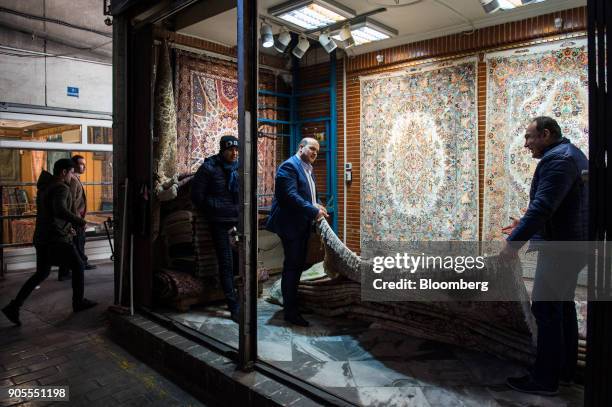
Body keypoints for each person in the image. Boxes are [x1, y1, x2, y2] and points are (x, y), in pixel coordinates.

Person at [501, 116, 588, 396]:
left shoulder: (558, 160)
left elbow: (543, 208)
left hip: (561, 249)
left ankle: (544, 380)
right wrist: (522, 221)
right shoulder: (570, 154)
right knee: (561, 308)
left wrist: (512, 244)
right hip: (572, 246)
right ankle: (563, 372)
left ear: (546, 134)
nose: (526, 144)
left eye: (529, 137)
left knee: (546, 310)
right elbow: (558, 205)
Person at [2, 159, 98, 326]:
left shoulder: (46, 186)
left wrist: (68, 226)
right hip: (56, 238)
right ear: (63, 172)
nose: (72, 175)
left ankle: (14, 306)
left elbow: (52, 214)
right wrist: (79, 222)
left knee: (41, 273)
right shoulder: (61, 187)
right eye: (71, 172)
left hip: (43, 237)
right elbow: (59, 209)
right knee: (78, 265)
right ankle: (78, 302)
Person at [266, 138, 329, 327]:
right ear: (300, 147)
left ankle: (292, 304)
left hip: (300, 224)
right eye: (311, 149)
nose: (314, 154)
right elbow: (290, 196)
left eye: (317, 152)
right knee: (292, 268)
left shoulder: (307, 168)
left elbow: (308, 194)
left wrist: (316, 203)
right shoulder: (289, 167)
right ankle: (290, 312)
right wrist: (313, 211)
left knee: (297, 266)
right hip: (290, 225)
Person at [192, 135, 241, 322]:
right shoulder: (209, 168)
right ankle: (233, 306)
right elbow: (197, 196)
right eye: (230, 149)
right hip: (219, 221)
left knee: (240, 260)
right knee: (226, 262)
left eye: (236, 150)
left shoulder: (238, 168)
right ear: (222, 150)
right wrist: (215, 207)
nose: (234, 153)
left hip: (237, 220)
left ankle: (240, 296)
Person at [58, 155, 96, 281]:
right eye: (81, 164)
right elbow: (72, 202)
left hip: (77, 217)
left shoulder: (75, 178)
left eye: (84, 164)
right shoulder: (73, 180)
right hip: (75, 218)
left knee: (76, 244)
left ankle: (72, 268)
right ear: (73, 166)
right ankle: (76, 267)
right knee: (77, 243)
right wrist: (78, 220)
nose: (84, 166)